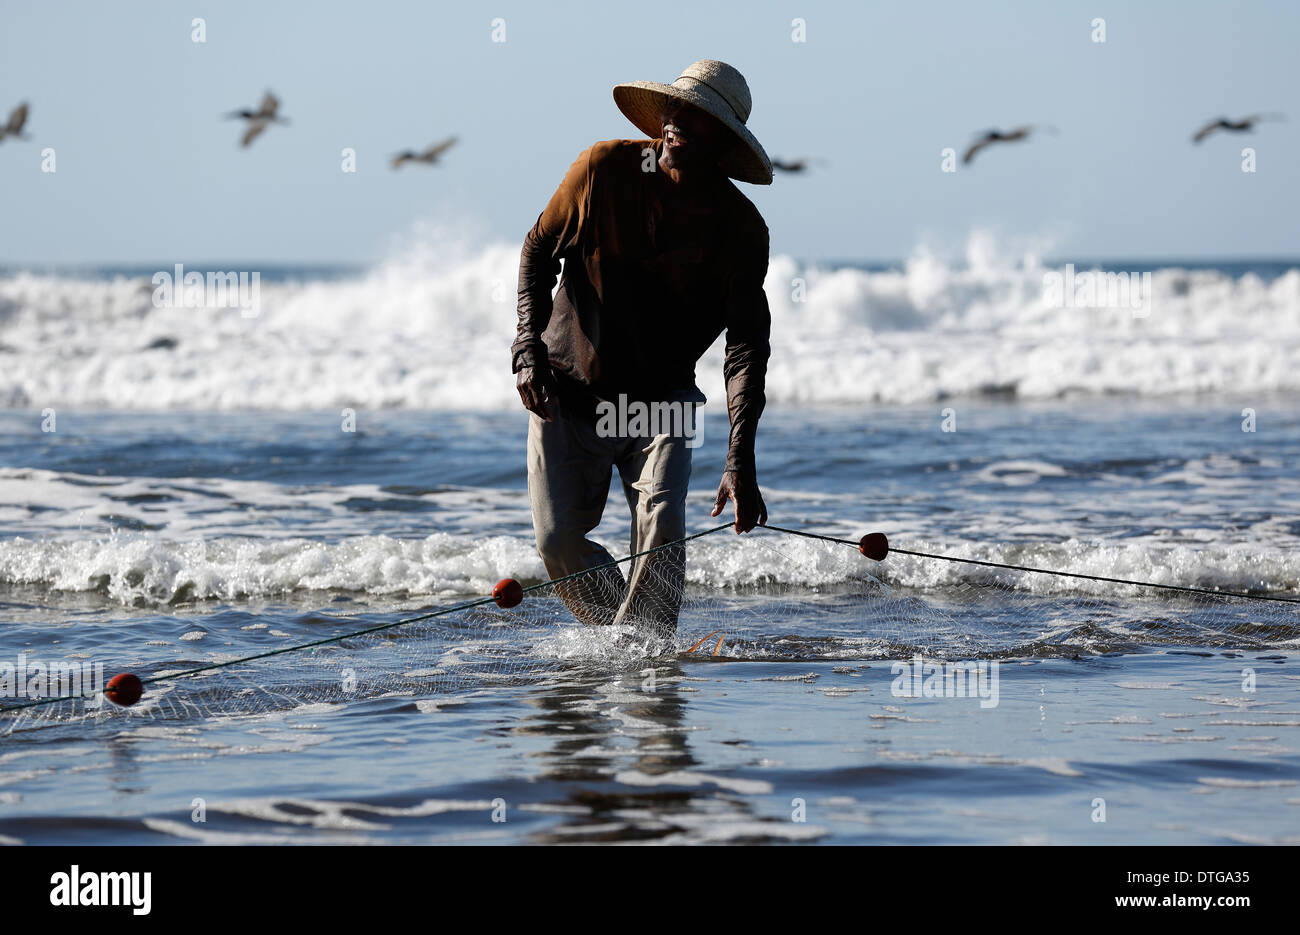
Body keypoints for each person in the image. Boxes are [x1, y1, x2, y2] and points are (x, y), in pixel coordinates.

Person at [513, 60, 773, 636]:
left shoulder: (740, 228)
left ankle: (648, 670)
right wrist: (526, 348)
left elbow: (747, 347)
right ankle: (626, 647)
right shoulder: (603, 169)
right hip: (568, 391)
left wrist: (739, 459)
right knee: (557, 544)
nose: (676, 122)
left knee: (661, 525)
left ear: (724, 142)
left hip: (661, 404)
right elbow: (537, 249)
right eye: (674, 109)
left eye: (697, 118)